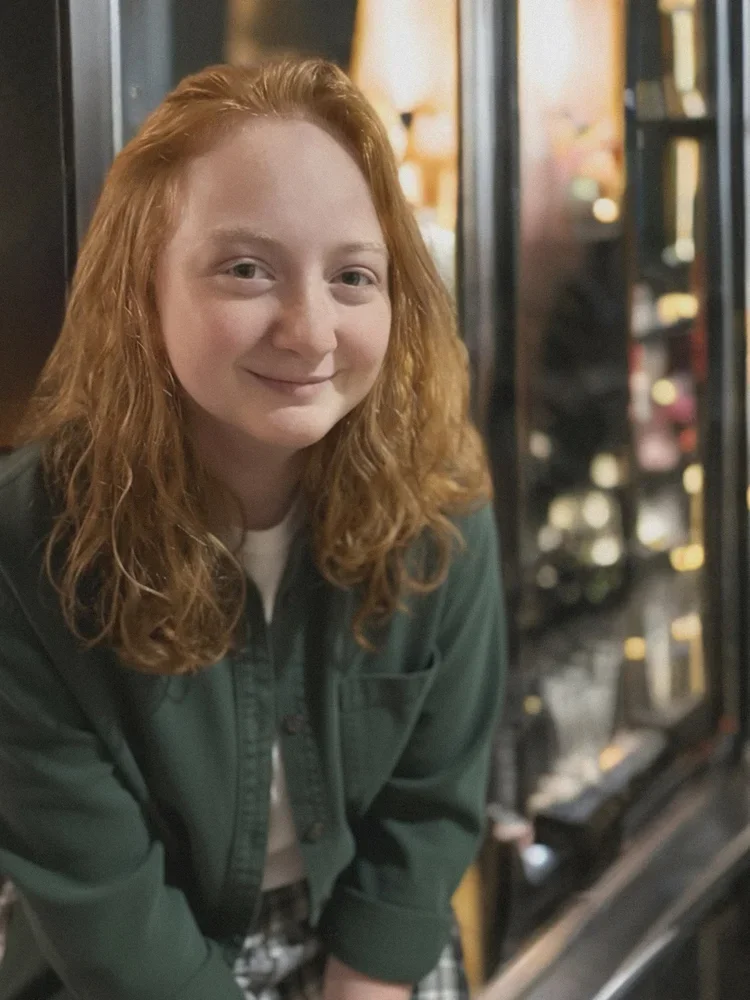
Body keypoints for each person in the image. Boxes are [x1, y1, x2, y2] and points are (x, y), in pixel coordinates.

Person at [0, 58, 506, 1000]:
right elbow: (100, 895)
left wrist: (365, 983)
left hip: (365, 945)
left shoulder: (441, 505)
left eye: (354, 276)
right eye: (245, 269)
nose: (311, 330)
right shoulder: (27, 542)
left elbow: (431, 803)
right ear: (139, 290)